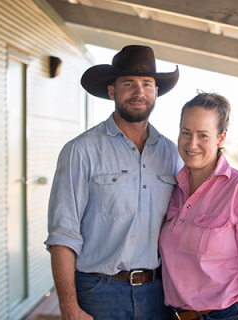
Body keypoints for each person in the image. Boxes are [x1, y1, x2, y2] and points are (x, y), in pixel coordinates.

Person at [45, 45, 183, 320]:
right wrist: (69, 308)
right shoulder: (80, 151)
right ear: (112, 91)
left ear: (156, 92)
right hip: (98, 292)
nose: (139, 92)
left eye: (147, 84)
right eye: (129, 83)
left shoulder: (172, 153)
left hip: (158, 294)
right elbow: (63, 234)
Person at [159, 93, 238, 320]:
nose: (191, 143)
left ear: (221, 138)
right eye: (186, 133)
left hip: (227, 315)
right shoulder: (173, 189)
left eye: (203, 135)